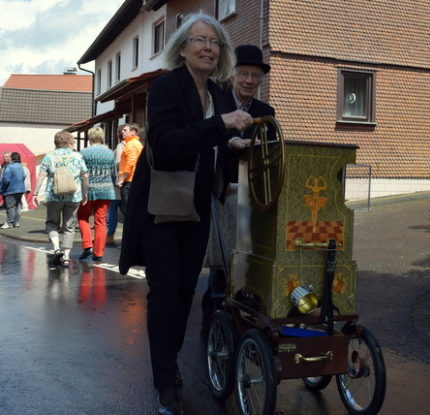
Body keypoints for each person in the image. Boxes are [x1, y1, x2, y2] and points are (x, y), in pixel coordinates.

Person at [118, 13, 254, 414]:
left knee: (182, 294)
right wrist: (219, 127)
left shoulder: (219, 92)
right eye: (200, 40)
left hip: (197, 208)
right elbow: (166, 142)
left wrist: (231, 146)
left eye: (215, 42)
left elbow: (210, 143)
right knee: (164, 296)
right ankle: (164, 383)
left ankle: (169, 363)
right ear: (182, 48)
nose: (209, 47)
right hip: (160, 208)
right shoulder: (165, 88)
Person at [201, 44, 275, 327]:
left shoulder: (265, 111)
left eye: (255, 76)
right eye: (243, 73)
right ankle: (213, 318)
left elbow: (271, 148)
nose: (249, 80)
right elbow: (205, 138)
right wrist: (230, 142)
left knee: (248, 256)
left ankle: (242, 312)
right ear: (232, 74)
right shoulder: (216, 100)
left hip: (253, 193)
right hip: (221, 189)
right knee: (222, 257)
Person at [33, 131, 88, 267]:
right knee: (69, 226)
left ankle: (56, 248)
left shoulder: (49, 156)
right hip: (73, 195)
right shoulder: (77, 156)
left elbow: (41, 175)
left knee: (51, 223)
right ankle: (66, 257)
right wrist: (85, 193)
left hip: (54, 195)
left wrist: (35, 193)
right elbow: (85, 176)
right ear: (69, 142)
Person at [77, 126, 116, 261]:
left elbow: (80, 173)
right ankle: (98, 253)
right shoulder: (110, 153)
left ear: (90, 137)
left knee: (82, 217)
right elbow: (114, 174)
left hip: (88, 190)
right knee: (101, 222)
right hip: (106, 190)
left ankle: (87, 245)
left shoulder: (84, 152)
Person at [117, 123, 143, 215]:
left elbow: (131, 163)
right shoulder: (137, 143)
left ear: (133, 132)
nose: (122, 132)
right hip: (134, 179)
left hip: (129, 180)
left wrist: (122, 179)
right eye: (122, 130)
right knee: (133, 210)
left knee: (128, 210)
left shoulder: (131, 144)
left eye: (125, 130)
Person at [107, 126, 125, 245]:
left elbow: (118, 164)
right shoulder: (137, 145)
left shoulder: (120, 146)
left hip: (118, 184)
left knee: (112, 210)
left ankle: (110, 236)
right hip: (130, 183)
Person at [1, 152, 26, 228]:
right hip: (20, 189)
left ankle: (9, 223)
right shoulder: (20, 166)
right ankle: (16, 222)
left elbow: (6, 180)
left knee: (10, 206)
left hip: (11, 190)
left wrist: (2, 188)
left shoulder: (9, 167)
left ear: (11, 158)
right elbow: (24, 176)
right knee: (17, 206)